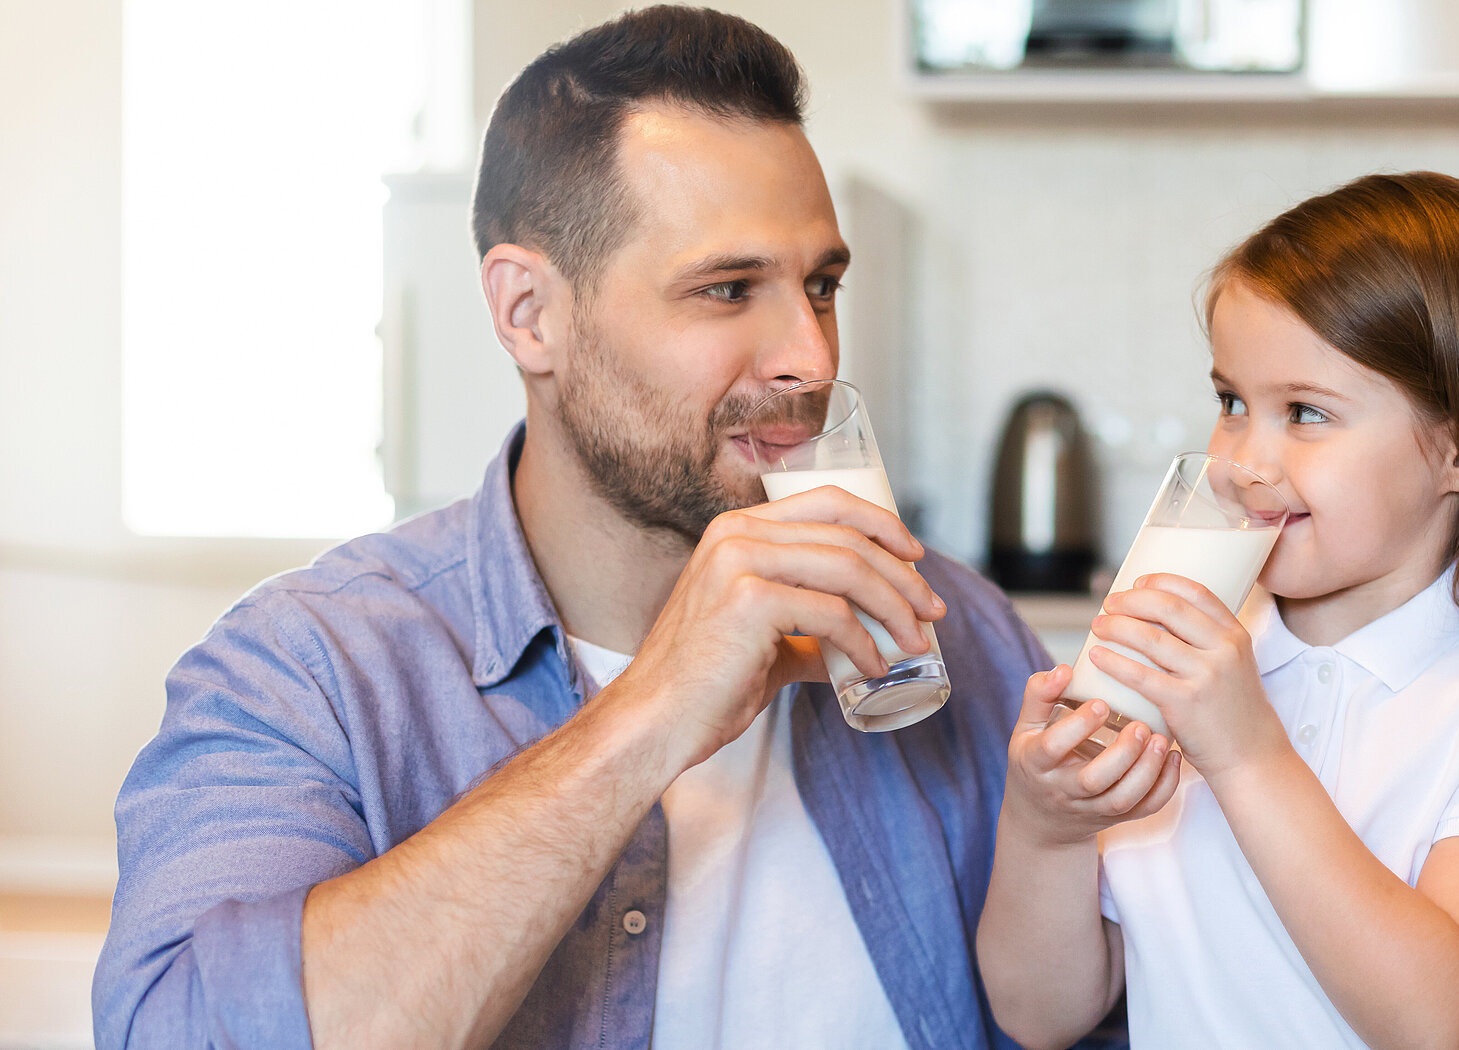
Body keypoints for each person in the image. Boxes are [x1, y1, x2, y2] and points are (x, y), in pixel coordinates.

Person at [93, 8, 1047, 1049]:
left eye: (820, 286)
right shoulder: (307, 673)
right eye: (728, 289)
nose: (811, 359)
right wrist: (651, 710)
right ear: (528, 314)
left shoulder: (965, 635)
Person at [977, 172, 1459, 1050]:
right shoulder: (1190, 667)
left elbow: (1449, 1021)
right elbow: (1041, 1015)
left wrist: (1247, 753)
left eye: (1306, 412)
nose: (1246, 461)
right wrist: (1045, 828)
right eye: (1231, 403)